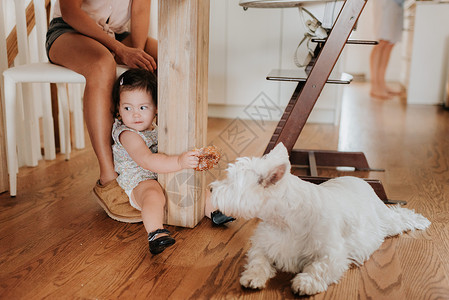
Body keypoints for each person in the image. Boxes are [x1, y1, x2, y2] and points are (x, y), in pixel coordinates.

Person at [46, 0, 157, 218]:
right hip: (69, 31)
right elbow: (69, 11)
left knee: (168, 56)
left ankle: (158, 160)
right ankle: (108, 178)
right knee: (102, 64)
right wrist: (120, 50)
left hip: (117, 34)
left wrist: (137, 57)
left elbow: (141, 8)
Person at [110, 69, 234, 254]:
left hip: (161, 169)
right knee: (153, 195)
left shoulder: (154, 126)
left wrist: (189, 161)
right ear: (119, 109)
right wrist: (179, 162)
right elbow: (148, 161)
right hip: (140, 179)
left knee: (195, 182)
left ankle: (213, 211)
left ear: (156, 107)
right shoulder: (127, 134)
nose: (135, 115)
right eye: (127, 108)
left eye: (143, 108)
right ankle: (155, 232)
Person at [369, 0, 404, 99]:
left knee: (390, 43)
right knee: (382, 41)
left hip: (399, 3)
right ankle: (375, 86)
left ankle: (381, 83)